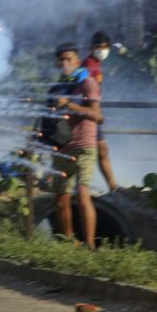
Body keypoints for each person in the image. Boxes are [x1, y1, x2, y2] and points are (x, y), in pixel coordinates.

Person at [50, 42, 101, 249]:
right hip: (62, 148)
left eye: (68, 59)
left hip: (84, 145)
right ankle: (70, 243)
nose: (65, 63)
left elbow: (97, 115)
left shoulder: (87, 83)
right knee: (61, 199)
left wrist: (69, 105)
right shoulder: (57, 88)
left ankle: (89, 245)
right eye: (61, 60)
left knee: (82, 193)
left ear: (77, 61)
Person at [80, 30, 118, 192]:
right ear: (91, 47)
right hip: (88, 114)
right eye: (99, 47)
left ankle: (113, 186)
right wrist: (96, 112)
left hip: (91, 113)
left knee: (101, 150)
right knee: (99, 150)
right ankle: (113, 187)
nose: (102, 50)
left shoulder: (95, 64)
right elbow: (87, 91)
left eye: (105, 47)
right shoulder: (89, 65)